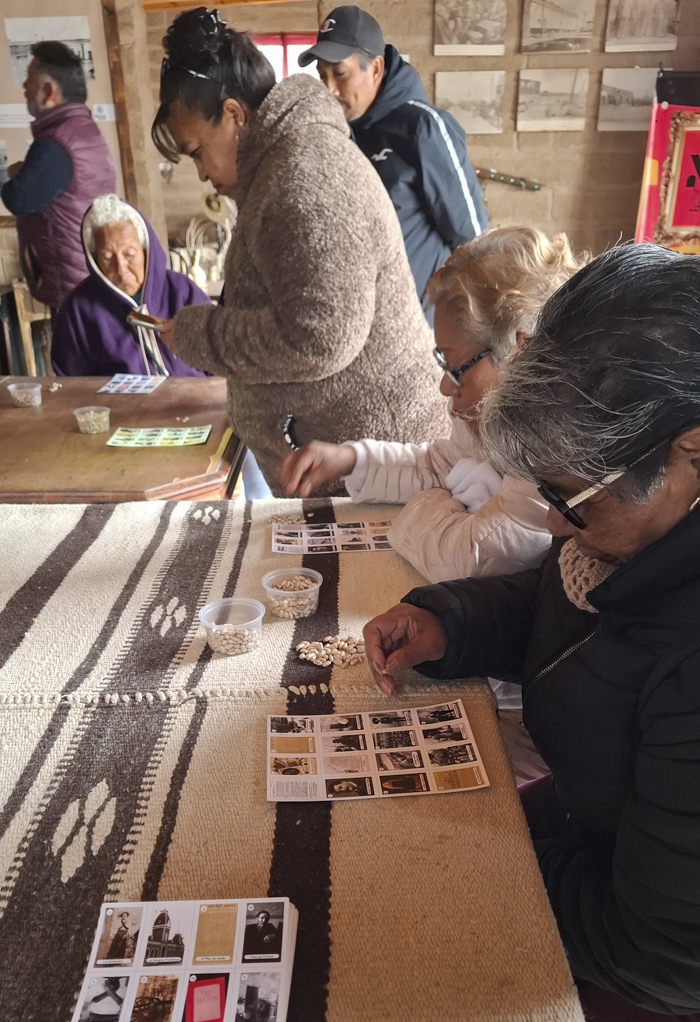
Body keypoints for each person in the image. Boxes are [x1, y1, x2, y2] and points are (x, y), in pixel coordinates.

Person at [363, 244, 700, 1019]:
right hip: (590, 830)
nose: (552, 522)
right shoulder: (632, 531)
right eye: (545, 490)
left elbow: (661, 948)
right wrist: (449, 623)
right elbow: (572, 614)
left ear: (690, 450)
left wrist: (486, 868)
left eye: (572, 497)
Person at [152, 9, 446, 495]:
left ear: (233, 115)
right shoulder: (284, 163)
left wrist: (198, 333)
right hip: (361, 467)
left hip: (386, 472)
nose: (201, 173)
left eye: (198, 150)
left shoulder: (303, 175)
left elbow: (320, 336)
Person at [299, 6, 487, 319]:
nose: (329, 90)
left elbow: (473, 242)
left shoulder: (423, 128)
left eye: (339, 74)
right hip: (354, 329)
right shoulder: (336, 138)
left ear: (374, 68)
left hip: (416, 333)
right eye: (322, 76)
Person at [0, 42, 116, 312]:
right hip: (90, 276)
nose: (24, 88)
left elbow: (18, 198)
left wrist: (14, 172)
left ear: (49, 91)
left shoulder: (56, 143)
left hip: (72, 287)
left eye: (29, 81)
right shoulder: (85, 131)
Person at [51, 194, 208, 377]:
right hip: (119, 405)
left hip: (192, 401)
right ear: (94, 260)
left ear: (145, 250)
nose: (121, 268)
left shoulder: (182, 291)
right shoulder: (78, 309)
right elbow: (73, 385)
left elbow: (219, 362)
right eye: (107, 258)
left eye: (130, 254)